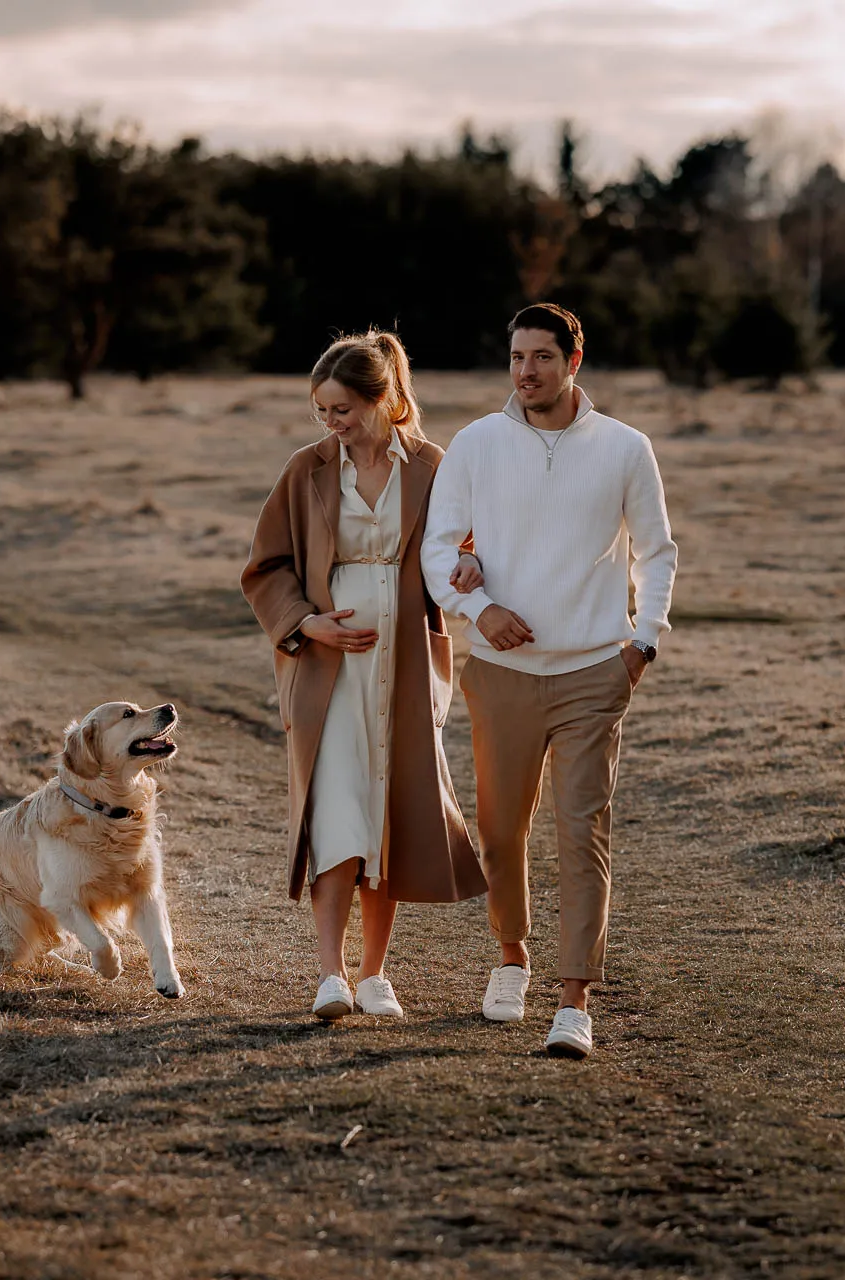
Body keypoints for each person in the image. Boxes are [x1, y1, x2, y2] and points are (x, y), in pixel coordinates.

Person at [422, 302, 677, 1059]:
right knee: (500, 835)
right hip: (500, 674)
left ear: (574, 358)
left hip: (595, 672)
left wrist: (642, 645)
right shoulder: (476, 444)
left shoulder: (626, 449)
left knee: (581, 832)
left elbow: (657, 553)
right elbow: (439, 550)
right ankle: (511, 957)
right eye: (516, 357)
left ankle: (575, 1003)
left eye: (541, 356)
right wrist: (477, 606)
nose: (526, 371)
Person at [242, 329, 488, 1021]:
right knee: (337, 812)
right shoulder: (307, 470)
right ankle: (330, 975)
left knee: (389, 813)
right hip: (326, 672)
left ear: (384, 400)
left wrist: (472, 564)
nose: (331, 424)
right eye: (322, 411)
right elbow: (266, 567)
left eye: (342, 409)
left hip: (405, 666)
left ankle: (376, 975)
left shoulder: (434, 467)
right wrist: (306, 623)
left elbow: (467, 546)